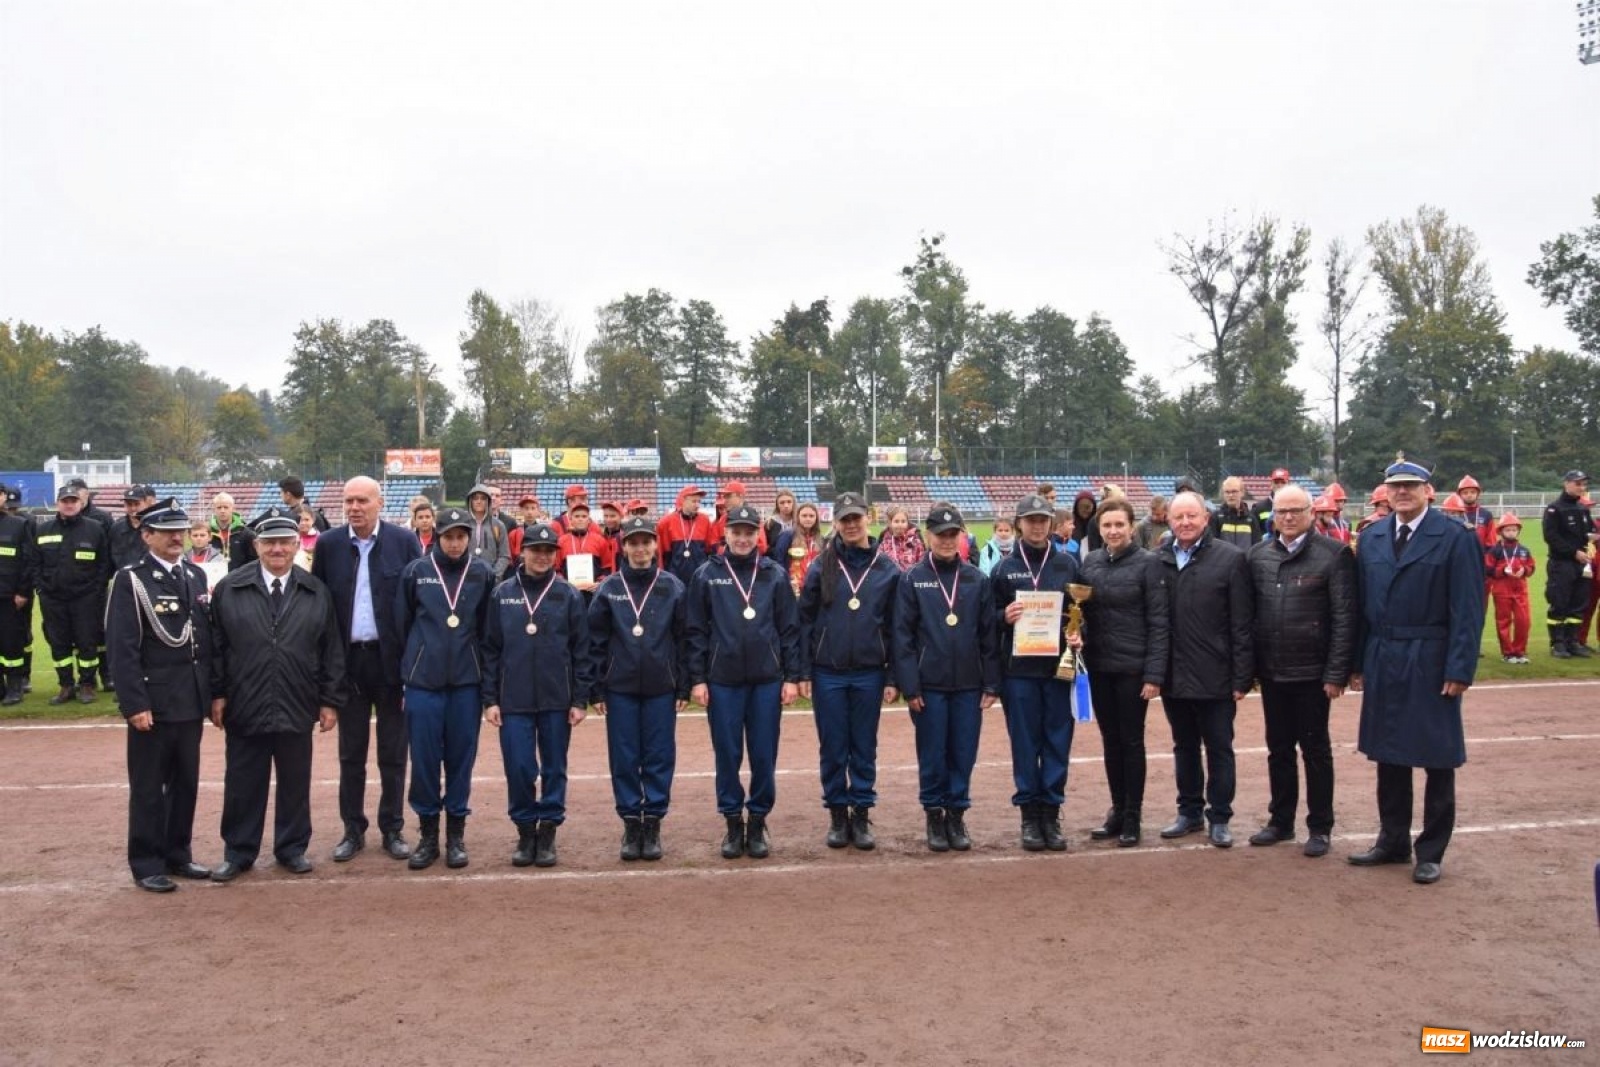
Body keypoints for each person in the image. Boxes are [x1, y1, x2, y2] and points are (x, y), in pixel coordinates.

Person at [1349, 456, 1485, 885]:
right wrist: (1357, 662)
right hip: (1384, 655)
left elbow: (1468, 609)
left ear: (1428, 490)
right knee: (1389, 753)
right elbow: (1361, 609)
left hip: (1430, 657)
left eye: (1411, 485)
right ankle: (1392, 840)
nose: (1402, 492)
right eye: (1395, 487)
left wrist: (1459, 667)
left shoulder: (1454, 537)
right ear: (1386, 492)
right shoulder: (1370, 539)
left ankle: (1431, 850)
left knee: (1436, 756)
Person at [207, 507, 344, 883]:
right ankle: (238, 851)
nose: (278, 549)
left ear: (297, 544)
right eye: (269, 542)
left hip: (297, 700)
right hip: (244, 701)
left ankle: (291, 848)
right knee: (241, 782)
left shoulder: (316, 591)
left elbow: (330, 649)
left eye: (285, 542)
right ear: (256, 546)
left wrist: (329, 700)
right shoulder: (230, 588)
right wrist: (217, 694)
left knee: (295, 783)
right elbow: (216, 647)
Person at [103, 499, 214, 892]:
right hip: (154, 702)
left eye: (180, 530)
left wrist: (212, 694)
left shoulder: (195, 576)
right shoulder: (132, 580)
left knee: (186, 783)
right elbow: (122, 647)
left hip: (190, 700)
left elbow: (204, 641)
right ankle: (147, 861)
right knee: (150, 787)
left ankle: (178, 853)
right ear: (146, 535)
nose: (175, 538)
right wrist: (134, 703)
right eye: (166, 531)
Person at [313, 475, 422, 863]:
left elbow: (416, 605)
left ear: (379, 503)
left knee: (394, 752)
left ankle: (392, 828)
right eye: (348, 501)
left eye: (362, 501)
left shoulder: (403, 542)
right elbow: (320, 609)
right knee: (351, 753)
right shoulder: (328, 545)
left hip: (391, 662)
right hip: (348, 664)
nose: (354, 507)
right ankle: (352, 829)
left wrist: (412, 664)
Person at [1244, 485, 1357, 858]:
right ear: (1272, 514)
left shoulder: (1334, 554)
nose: (1288, 517)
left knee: (1315, 749)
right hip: (1273, 670)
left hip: (1312, 672)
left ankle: (1320, 826)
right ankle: (1280, 820)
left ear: (1311, 512)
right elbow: (1250, 616)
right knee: (1278, 749)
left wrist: (1336, 672)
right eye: (1282, 511)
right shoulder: (1258, 555)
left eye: (1296, 510)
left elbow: (1344, 616)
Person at [686, 504, 802, 860]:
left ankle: (758, 821)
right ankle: (733, 822)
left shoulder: (775, 575)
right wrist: (698, 679)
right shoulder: (707, 575)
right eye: (736, 531)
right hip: (723, 680)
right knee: (728, 754)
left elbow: (789, 630)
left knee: (764, 754)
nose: (742, 538)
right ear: (726, 534)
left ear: (758, 535)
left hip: (767, 680)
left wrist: (792, 677)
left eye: (749, 532)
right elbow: (695, 631)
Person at [483, 522, 592, 868]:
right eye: (535, 550)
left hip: (556, 698)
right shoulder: (502, 594)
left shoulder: (568, 594)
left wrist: (579, 699)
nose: (542, 556)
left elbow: (581, 651)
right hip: (513, 698)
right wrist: (490, 699)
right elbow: (490, 650)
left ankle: (548, 831)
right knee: (519, 767)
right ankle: (525, 828)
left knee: (555, 768)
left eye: (548, 551)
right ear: (522, 553)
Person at [892, 503, 1000, 852]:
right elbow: (902, 637)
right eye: (940, 534)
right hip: (929, 685)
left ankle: (957, 814)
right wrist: (910, 685)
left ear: (962, 536)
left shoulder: (977, 579)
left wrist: (991, 682)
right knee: (933, 753)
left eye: (953, 534)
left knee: (963, 752)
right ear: (928, 536)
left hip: (968, 684)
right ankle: (934, 815)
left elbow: (988, 635)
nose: (947, 541)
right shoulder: (912, 579)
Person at [797, 492, 900, 850]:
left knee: (864, 746)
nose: (852, 525)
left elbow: (895, 629)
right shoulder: (821, 565)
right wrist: (804, 671)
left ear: (867, 519)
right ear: (836, 523)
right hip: (828, 672)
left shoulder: (887, 569)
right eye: (845, 519)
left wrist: (892, 677)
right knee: (833, 746)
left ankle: (861, 812)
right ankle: (838, 815)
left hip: (870, 672)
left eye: (856, 518)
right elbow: (804, 620)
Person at [395, 507, 495, 870]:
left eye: (461, 536)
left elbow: (488, 632)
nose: (455, 543)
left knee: (460, 761)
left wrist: (486, 685)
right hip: (423, 682)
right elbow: (401, 625)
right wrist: (407, 671)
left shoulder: (482, 574)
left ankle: (455, 836)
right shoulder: (416, 573)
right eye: (449, 536)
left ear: (470, 538)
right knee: (423, 762)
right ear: (436, 536)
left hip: (466, 684)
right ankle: (426, 837)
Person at [1153, 491, 1254, 848]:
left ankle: (1220, 816)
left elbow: (1242, 623)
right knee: (1184, 746)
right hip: (1174, 674)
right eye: (1178, 517)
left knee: (1219, 747)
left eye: (1191, 516)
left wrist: (1242, 676)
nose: (1185, 523)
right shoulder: (1159, 559)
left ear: (1206, 519)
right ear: (1168, 521)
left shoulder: (1231, 559)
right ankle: (1189, 811)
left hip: (1216, 673)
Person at [588, 516, 690, 862]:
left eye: (646, 542)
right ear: (624, 546)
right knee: (625, 756)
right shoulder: (608, 589)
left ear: (654, 546)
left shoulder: (673, 586)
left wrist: (684, 685)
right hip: (620, 687)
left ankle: (654, 822)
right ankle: (632, 823)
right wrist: (597, 690)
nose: (641, 549)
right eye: (634, 542)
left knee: (659, 755)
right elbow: (596, 643)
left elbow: (685, 639)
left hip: (662, 686)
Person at [1071, 499, 1167, 848]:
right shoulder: (1091, 563)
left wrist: (1154, 674)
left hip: (1133, 667)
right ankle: (1117, 807)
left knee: (1131, 740)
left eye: (1119, 525)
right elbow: (1081, 612)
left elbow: (1159, 621)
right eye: (1107, 525)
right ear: (1100, 528)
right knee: (1110, 740)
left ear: (1131, 527)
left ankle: (1133, 814)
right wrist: (1077, 633)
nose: (1113, 531)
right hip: (1099, 666)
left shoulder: (1149, 564)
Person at [993, 494, 1082, 851]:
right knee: (1026, 744)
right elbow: (987, 620)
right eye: (1030, 520)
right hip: (1019, 673)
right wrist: (1003, 617)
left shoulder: (1069, 565)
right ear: (1019, 523)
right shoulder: (1002, 569)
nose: (1037, 526)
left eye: (1043, 519)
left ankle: (1051, 811)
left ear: (1051, 522)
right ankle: (1029, 814)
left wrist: (1079, 633)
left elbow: (1083, 612)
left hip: (1059, 668)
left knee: (1058, 740)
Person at [35, 483, 113, 704]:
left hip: (85, 599)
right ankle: (66, 686)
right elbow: (34, 562)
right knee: (59, 643)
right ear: (57, 504)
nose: (69, 505)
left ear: (81, 503)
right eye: (65, 501)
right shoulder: (43, 530)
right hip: (53, 599)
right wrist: (41, 588)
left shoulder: (95, 529)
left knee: (86, 642)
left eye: (73, 501)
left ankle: (87, 685)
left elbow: (103, 564)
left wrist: (96, 591)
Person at [1542, 470, 1596, 659]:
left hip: (1582, 565)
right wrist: (1574, 553)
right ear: (1566, 484)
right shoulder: (1554, 509)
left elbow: (1589, 532)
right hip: (1562, 564)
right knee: (1559, 603)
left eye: (1583, 484)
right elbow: (1551, 537)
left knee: (1579, 604)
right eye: (1578, 483)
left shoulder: (1583, 509)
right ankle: (1557, 644)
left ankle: (1572, 641)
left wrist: (1593, 538)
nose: (1582, 487)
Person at [0, 484, 36, 706]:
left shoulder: (18, 525)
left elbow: (29, 560)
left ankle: (15, 687)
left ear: (3, 497)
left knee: (11, 643)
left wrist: (23, 591)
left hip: (9, 596)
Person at [1485, 512, 1535, 664]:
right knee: (1503, 621)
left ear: (1518, 531)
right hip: (1502, 591)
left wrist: (1524, 571)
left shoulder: (1524, 550)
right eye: (1507, 530)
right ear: (1500, 532)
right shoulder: (1495, 550)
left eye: (1514, 530)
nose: (1511, 533)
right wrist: (1501, 571)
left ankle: (1519, 651)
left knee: (1524, 621)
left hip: (1520, 590)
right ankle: (1507, 653)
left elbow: (1531, 567)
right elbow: (1487, 569)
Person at [657, 485, 715, 586]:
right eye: (694, 501)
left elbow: (710, 551)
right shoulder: (665, 523)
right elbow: (660, 555)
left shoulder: (705, 520)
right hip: (674, 580)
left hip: (700, 579)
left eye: (699, 502)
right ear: (683, 500)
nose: (697, 505)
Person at [554, 500, 615, 594]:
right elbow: (556, 569)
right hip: (568, 592)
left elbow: (607, 568)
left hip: (593, 592)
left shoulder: (600, 540)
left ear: (589, 520)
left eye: (584, 516)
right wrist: (564, 583)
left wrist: (599, 583)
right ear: (571, 519)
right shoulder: (561, 542)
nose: (580, 519)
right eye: (577, 516)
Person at [774, 501, 824, 594]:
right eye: (804, 516)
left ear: (816, 518)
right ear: (798, 517)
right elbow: (779, 560)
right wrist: (786, 581)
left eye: (811, 516)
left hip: (814, 586)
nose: (808, 519)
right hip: (792, 587)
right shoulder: (788, 535)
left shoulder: (820, 539)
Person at [464, 483, 510, 580]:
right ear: (470, 501)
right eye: (475, 498)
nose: (479, 501)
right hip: (465, 578)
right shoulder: (463, 523)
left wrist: (494, 576)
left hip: (491, 579)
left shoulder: (498, 525)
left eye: (483, 498)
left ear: (488, 501)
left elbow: (504, 555)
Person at [108, 485, 156, 569]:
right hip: (123, 578)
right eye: (129, 504)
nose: (133, 508)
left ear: (145, 503)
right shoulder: (116, 528)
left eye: (137, 504)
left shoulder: (155, 527)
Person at [1210, 477, 1262, 549]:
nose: (1230, 495)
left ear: (1242, 492)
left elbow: (1257, 546)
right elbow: (1212, 546)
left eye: (1234, 491)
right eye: (1227, 492)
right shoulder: (1216, 517)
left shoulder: (1251, 518)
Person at [878, 505, 926, 572]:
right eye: (896, 521)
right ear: (890, 523)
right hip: (891, 580)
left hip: (911, 579)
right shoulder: (884, 543)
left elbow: (922, 561)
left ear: (907, 523)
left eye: (903, 521)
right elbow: (879, 563)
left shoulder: (915, 541)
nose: (900, 524)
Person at [1455, 475, 1495, 550]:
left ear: (1478, 494)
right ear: (1459, 495)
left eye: (1472, 492)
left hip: (1482, 558)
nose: (1469, 495)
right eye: (1465, 493)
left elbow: (1491, 542)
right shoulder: (1456, 514)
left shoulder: (1486, 515)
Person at [764, 489, 797, 556]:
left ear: (793, 503)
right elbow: (765, 547)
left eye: (789, 502)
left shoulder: (799, 522)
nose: (786, 506)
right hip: (776, 561)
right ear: (777, 505)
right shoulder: (770, 523)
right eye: (782, 503)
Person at [1068, 491, 1099, 560]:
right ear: (1076, 507)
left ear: (1093, 507)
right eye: (1081, 506)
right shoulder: (1070, 525)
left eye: (1088, 507)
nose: (1084, 510)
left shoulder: (1099, 524)